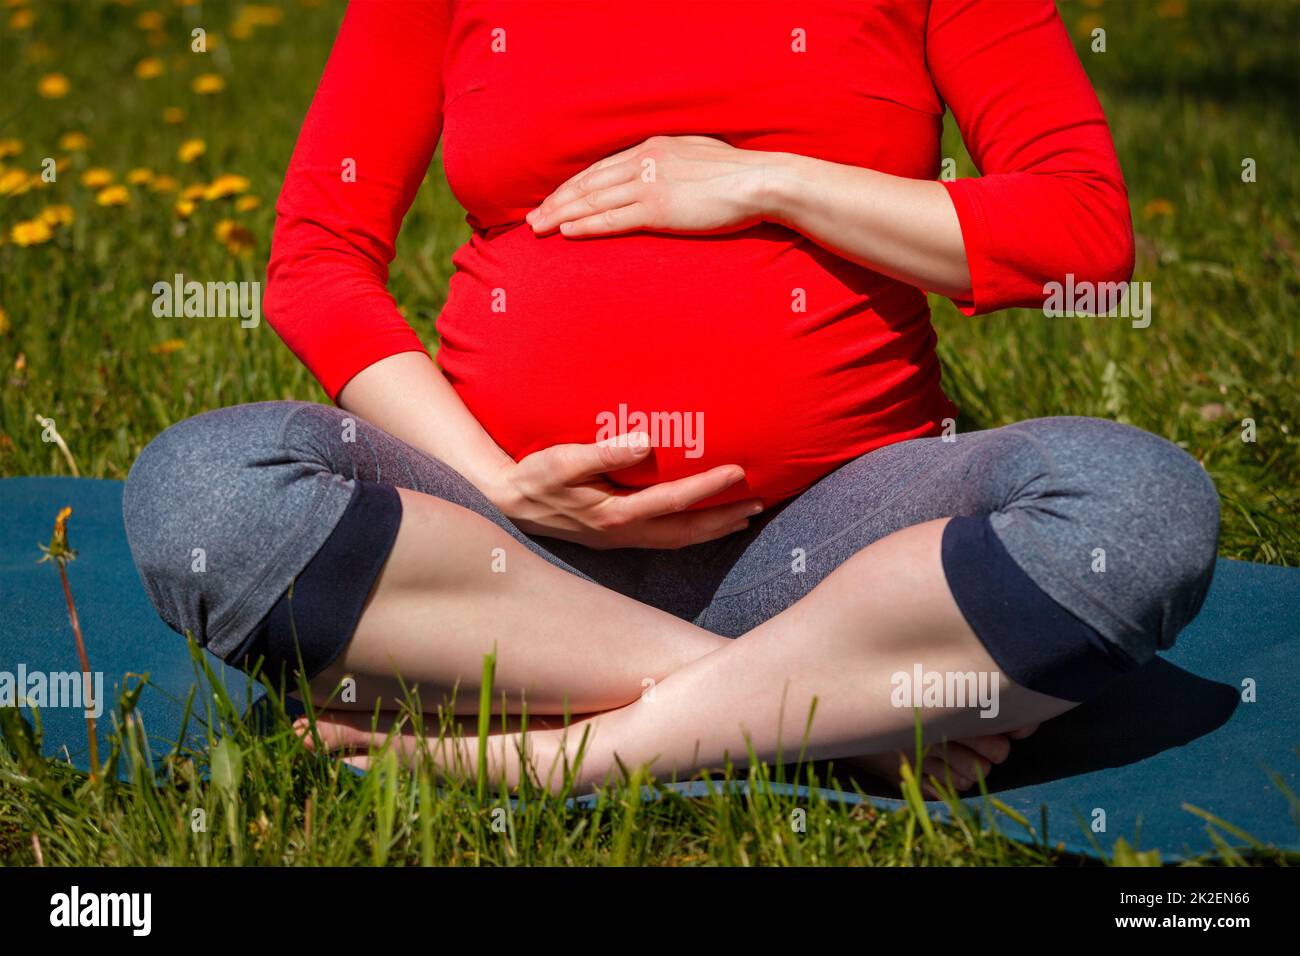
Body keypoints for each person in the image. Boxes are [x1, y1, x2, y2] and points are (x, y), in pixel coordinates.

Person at [123, 0, 1220, 797]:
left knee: (1139, 503)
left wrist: (761, 176)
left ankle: (548, 756)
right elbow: (317, 257)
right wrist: (495, 479)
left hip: (846, 541)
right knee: (203, 491)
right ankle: (831, 714)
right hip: (501, 555)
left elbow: (1080, 233)